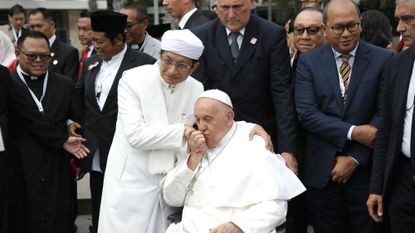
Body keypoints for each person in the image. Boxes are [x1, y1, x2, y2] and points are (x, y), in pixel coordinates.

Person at [294, 0, 393, 233]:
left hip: (367, 174)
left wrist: (355, 158)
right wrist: (353, 132)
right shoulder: (308, 62)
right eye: (338, 27)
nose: (346, 33)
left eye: (353, 25)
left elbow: (385, 113)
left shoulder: (384, 59)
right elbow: (307, 114)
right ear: (326, 28)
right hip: (322, 174)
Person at [162, 89, 306, 233]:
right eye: (198, 120)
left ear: (229, 117)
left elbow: (275, 207)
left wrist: (238, 226)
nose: (201, 126)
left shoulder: (252, 144)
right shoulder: (195, 146)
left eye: (208, 119)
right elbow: (171, 198)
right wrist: (193, 159)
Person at [191, 0, 298, 178]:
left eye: (238, 7)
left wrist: (288, 149)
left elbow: (281, 94)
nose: (231, 14)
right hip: (217, 139)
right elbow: (200, 93)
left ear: (251, 3)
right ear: (216, 7)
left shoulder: (271, 34)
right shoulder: (201, 36)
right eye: (225, 8)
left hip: (263, 139)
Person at [75, 10, 156, 233]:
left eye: (100, 42)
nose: (96, 47)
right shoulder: (91, 63)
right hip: (96, 150)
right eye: (93, 41)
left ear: (119, 39)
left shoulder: (144, 63)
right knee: (99, 202)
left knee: (125, 205)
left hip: (128, 150)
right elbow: (79, 97)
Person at [7, 30, 87, 233]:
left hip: (56, 165)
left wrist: (70, 122)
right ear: (17, 53)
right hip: (19, 166)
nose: (39, 61)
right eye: (31, 56)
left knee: (58, 218)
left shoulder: (64, 84)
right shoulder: (6, 83)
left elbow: (78, 118)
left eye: (45, 56)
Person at [367, 0, 415, 232]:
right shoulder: (397, 64)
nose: (400, 28)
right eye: (398, 19)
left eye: (408, 19)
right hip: (402, 184)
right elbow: (386, 129)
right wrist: (377, 187)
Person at [28, 8, 79, 82]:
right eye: (32, 27)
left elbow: (69, 86)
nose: (35, 30)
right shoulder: (26, 52)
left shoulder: (68, 53)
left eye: (39, 26)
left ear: (52, 25)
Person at [77, 10, 95, 79]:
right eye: (79, 29)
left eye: (85, 29)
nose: (81, 34)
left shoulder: (101, 53)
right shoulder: (84, 52)